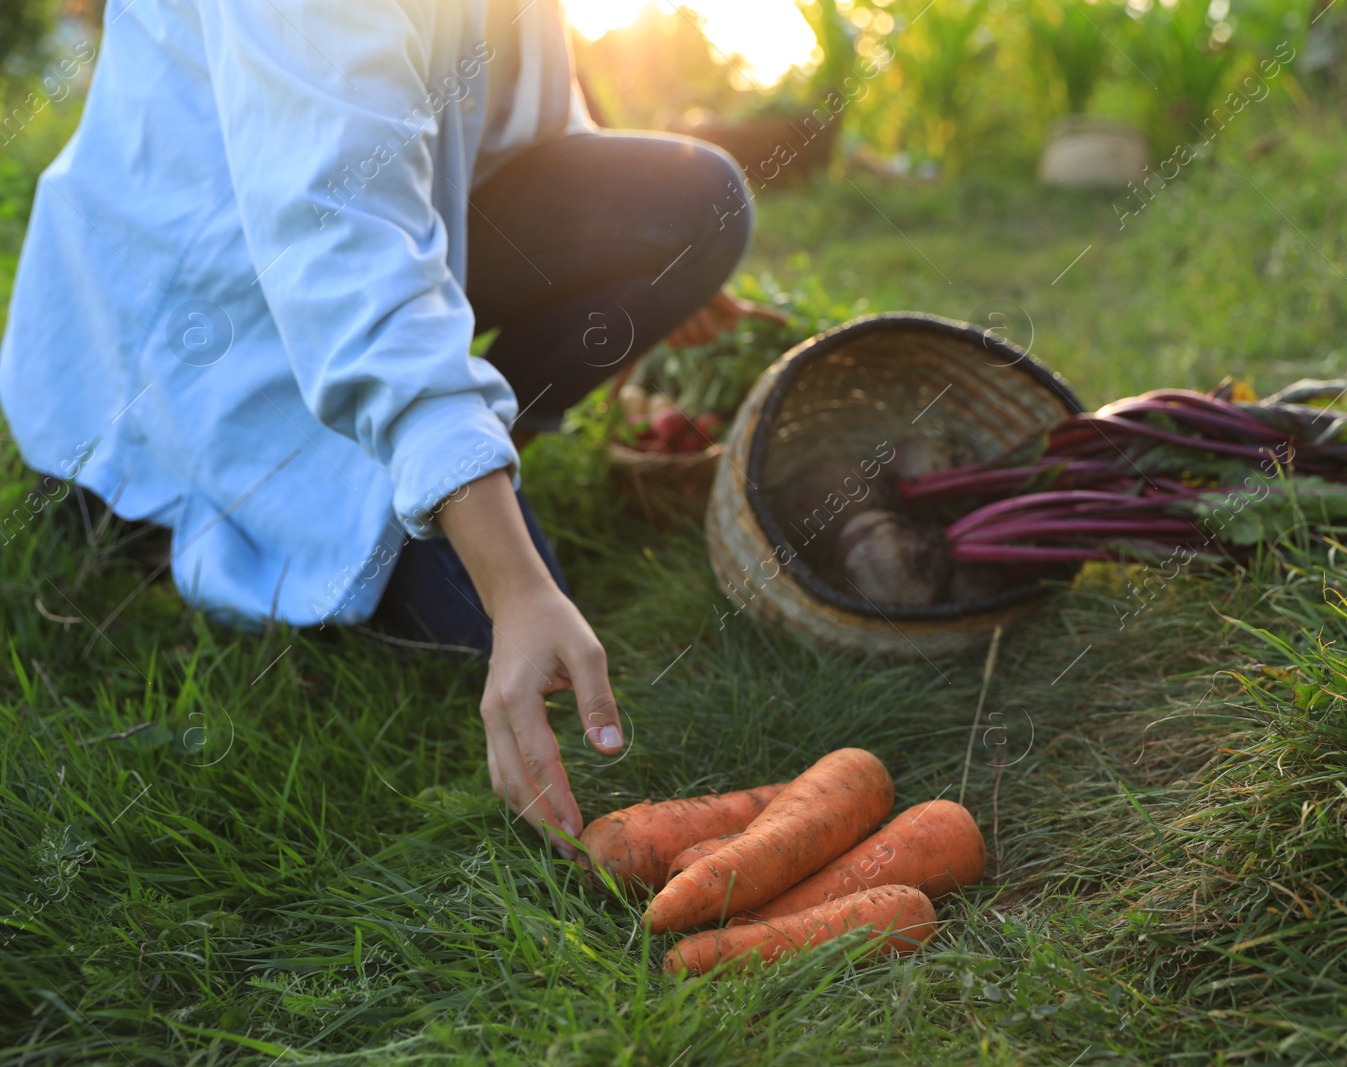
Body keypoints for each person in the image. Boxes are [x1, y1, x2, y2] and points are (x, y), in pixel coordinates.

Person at [0, 0, 774, 855]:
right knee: (488, 622)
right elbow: (341, 245)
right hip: (203, 333)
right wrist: (513, 586)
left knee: (699, 203)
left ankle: (459, 460)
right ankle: (134, 510)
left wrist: (640, 249)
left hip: (341, 261)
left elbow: (527, 124)